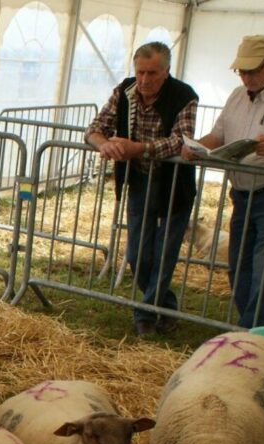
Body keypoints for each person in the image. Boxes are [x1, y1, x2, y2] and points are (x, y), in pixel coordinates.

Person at [183, 34, 264, 329]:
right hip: (242, 193)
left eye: (253, 70)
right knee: (239, 265)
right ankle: (250, 329)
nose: (246, 77)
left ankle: (248, 331)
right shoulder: (236, 96)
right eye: (241, 71)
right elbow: (218, 136)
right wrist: (195, 147)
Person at [85, 41, 198, 338]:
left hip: (174, 184)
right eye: (140, 72)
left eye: (152, 73)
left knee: (164, 253)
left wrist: (139, 148)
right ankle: (167, 305)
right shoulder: (125, 91)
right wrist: (105, 144)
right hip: (138, 181)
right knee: (137, 253)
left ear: (166, 71)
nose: (145, 80)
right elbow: (94, 128)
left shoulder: (184, 96)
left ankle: (144, 315)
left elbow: (181, 140)